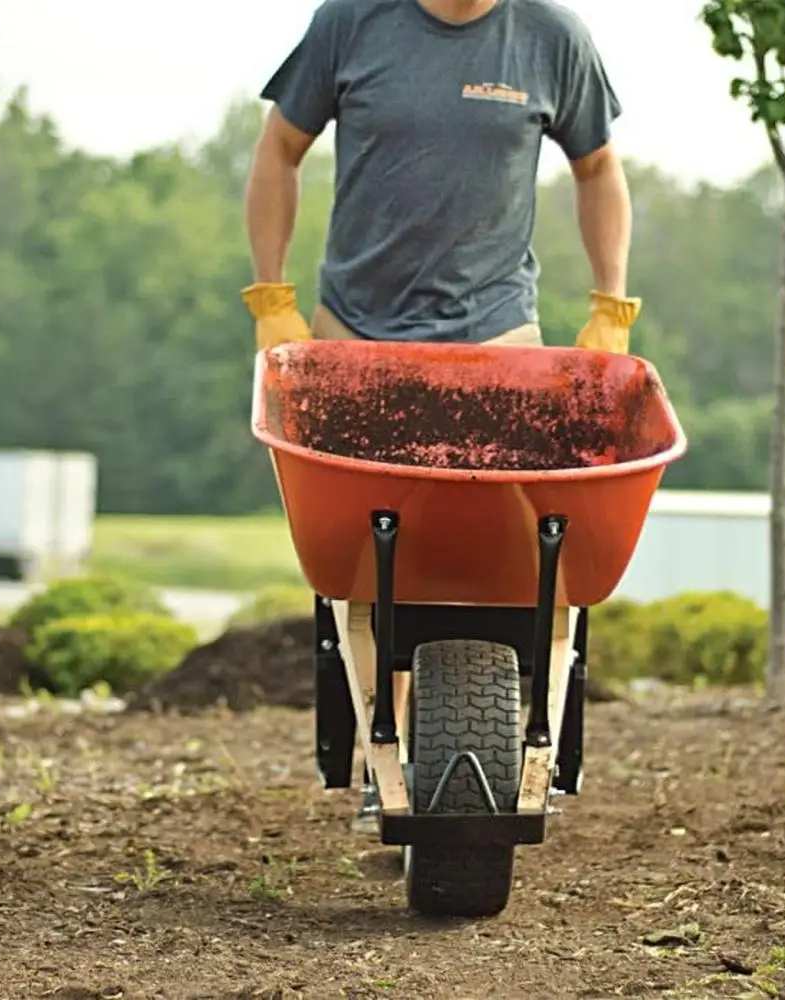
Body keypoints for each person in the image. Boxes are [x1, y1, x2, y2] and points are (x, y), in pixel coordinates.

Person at [243, 0, 641, 833]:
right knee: (366, 553)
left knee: (501, 556)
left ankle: (507, 729)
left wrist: (611, 305)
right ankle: (379, 751)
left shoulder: (551, 36)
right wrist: (270, 292)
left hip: (498, 340)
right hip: (357, 338)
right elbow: (280, 149)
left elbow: (598, 167)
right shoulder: (353, 21)